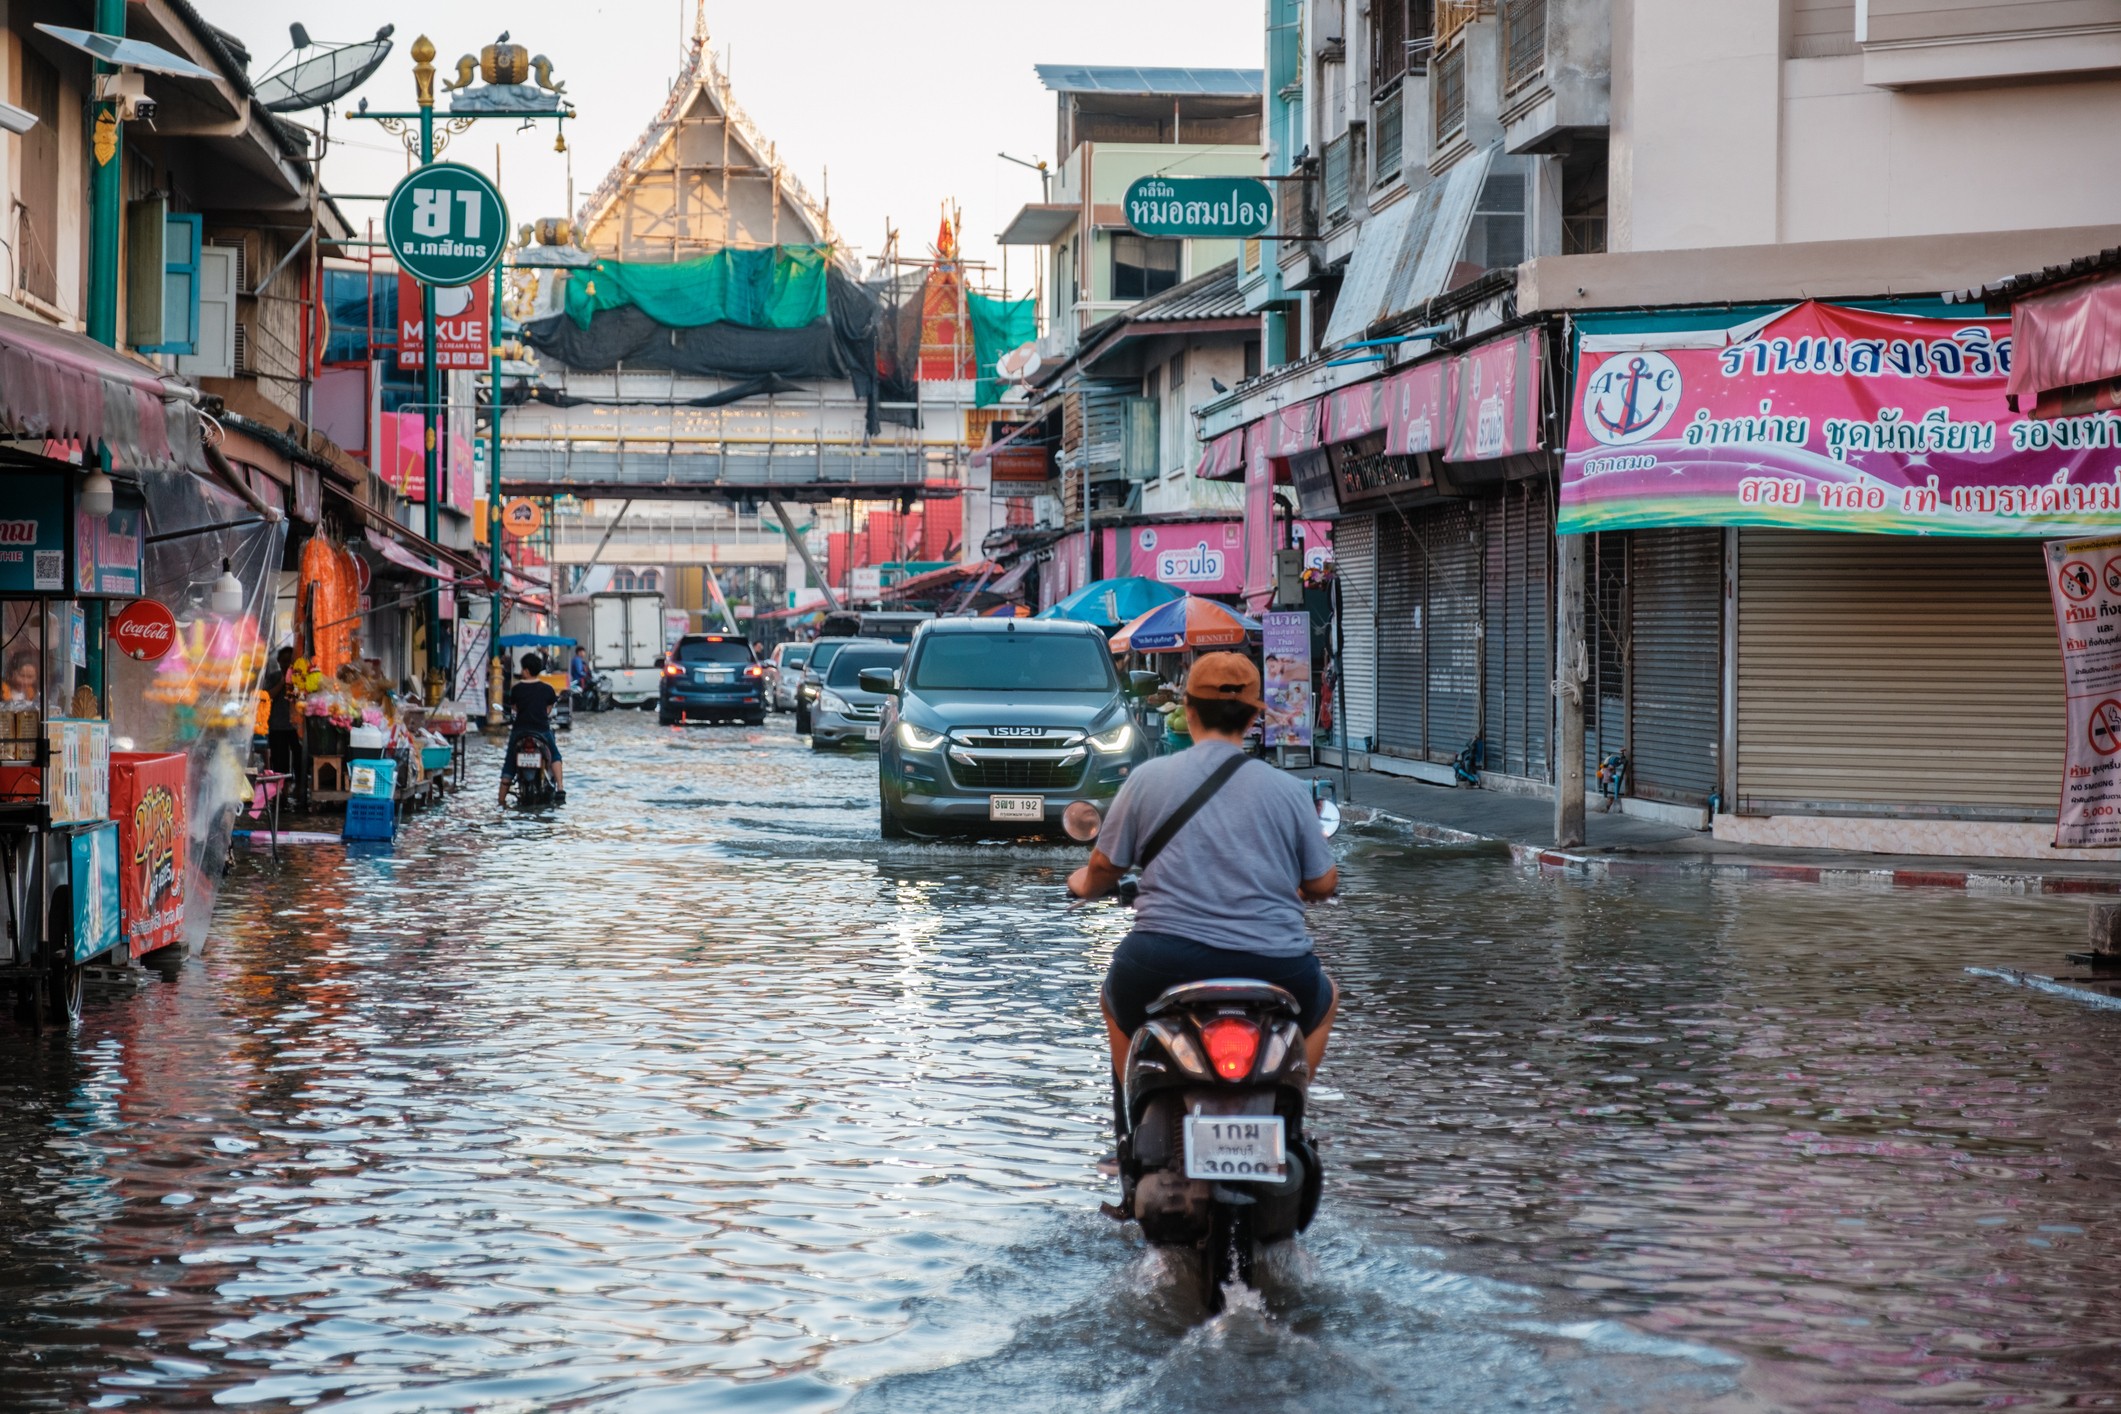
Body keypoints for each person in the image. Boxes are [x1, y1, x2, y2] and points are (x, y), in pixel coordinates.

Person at [1068, 652, 1340, 1104]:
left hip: (1164, 959)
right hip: (1276, 962)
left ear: (1188, 710)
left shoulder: (1147, 780)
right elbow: (1323, 884)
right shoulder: (1289, 791)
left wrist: (1082, 884)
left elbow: (1105, 868)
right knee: (1326, 1000)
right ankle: (1288, 1106)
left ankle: (1133, 1121)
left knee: (1114, 1002)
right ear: (1255, 716)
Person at [500, 652, 566, 805]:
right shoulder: (547, 689)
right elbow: (548, 709)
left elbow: (514, 708)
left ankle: (501, 801)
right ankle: (561, 789)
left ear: (527, 671)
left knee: (510, 762)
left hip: (520, 732)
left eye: (523, 669)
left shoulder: (516, 689)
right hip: (542, 730)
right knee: (555, 756)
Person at [261, 647, 303, 782]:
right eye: (284, 662)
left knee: (300, 760)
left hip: (296, 727)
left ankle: (298, 788)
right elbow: (267, 696)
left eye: (290, 662)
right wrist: (282, 682)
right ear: (279, 662)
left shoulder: (299, 678)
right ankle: (281, 791)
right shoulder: (274, 677)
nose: (287, 665)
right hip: (277, 727)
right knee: (280, 762)